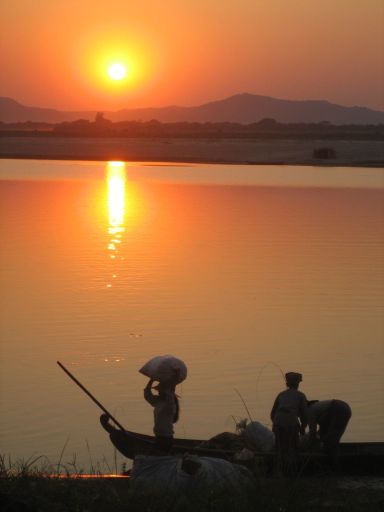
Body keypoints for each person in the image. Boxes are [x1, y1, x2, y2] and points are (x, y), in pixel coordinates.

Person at [270, 372, 308, 475]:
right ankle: (292, 472)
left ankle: (278, 471)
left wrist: (277, 424)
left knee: (279, 448)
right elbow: (305, 415)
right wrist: (302, 429)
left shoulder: (281, 394)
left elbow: (272, 414)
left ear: (287, 383)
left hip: (278, 422)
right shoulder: (301, 395)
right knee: (294, 448)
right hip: (291, 423)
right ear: (297, 384)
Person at [307, 399, 351, 466]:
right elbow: (323, 429)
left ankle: (332, 465)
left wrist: (308, 445)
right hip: (346, 408)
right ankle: (333, 461)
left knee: (331, 440)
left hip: (336, 408)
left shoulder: (310, 411)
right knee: (332, 438)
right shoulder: (318, 408)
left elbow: (312, 432)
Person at [144, 377, 179, 453]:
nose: (159, 392)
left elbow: (170, 394)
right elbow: (147, 395)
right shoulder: (158, 401)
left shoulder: (170, 405)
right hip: (158, 436)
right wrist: (151, 380)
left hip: (166, 438)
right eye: (159, 391)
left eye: (160, 391)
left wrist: (173, 383)